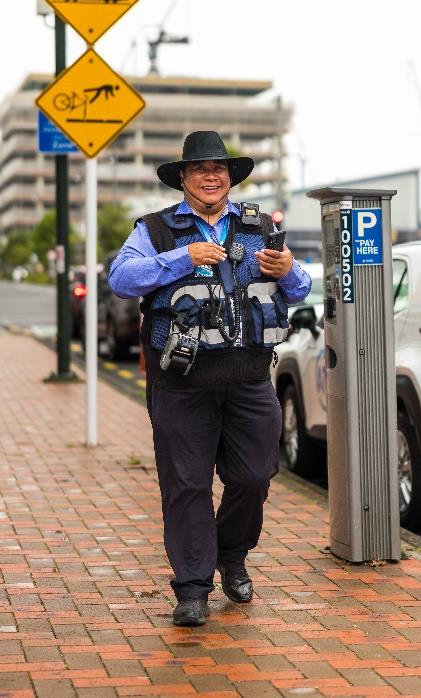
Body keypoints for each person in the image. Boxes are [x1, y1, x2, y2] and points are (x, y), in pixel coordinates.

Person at [108, 130, 311, 627]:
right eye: (200, 169)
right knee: (187, 486)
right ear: (183, 178)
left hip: (248, 378)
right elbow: (120, 278)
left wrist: (287, 270)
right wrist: (184, 257)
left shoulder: (260, 226)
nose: (211, 176)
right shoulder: (155, 230)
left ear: (230, 178)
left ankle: (232, 553)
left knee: (255, 475)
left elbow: (301, 287)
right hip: (181, 381)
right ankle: (193, 587)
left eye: (219, 169)